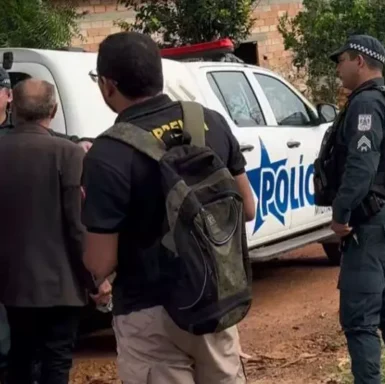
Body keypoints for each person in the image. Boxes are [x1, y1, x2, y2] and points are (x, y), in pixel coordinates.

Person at [81, 31, 256, 383]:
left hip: (149, 314)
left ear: (107, 85)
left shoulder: (107, 153)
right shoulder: (209, 122)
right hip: (213, 299)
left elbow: (101, 262)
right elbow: (247, 208)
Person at [0, 79, 105, 384]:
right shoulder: (68, 153)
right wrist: (96, 279)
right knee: (56, 362)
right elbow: (76, 225)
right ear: (54, 110)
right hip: (61, 285)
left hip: (12, 284)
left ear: (14, 107)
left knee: (20, 356)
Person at [325, 35, 385, 384]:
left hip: (369, 223)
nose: (338, 67)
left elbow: (361, 169)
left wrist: (341, 214)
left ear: (359, 61)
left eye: (342, 59)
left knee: (360, 319)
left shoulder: (365, 105)